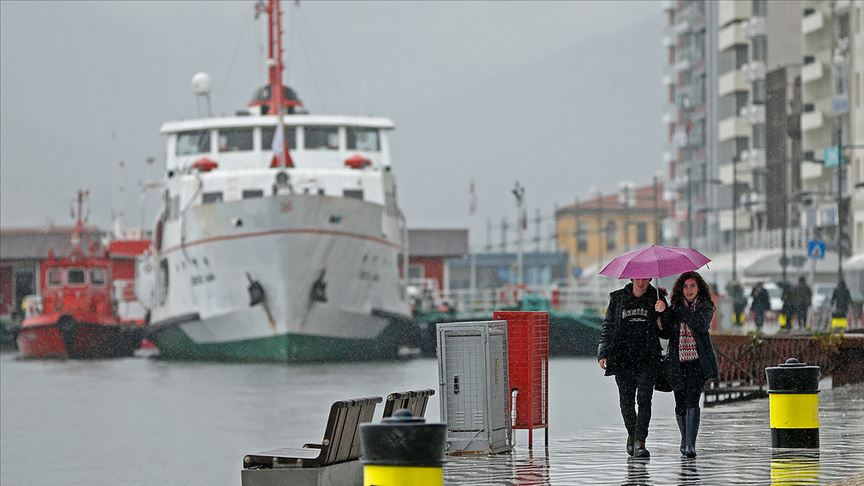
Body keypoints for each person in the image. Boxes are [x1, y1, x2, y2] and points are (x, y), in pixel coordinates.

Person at [597, 278, 667, 458]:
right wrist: (603, 352)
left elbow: (666, 330)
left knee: (644, 400)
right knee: (626, 401)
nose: (642, 281)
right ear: (631, 278)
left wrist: (664, 313)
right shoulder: (618, 298)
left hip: (648, 358)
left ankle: (640, 441)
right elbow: (608, 326)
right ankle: (632, 433)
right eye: (638, 277)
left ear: (651, 278)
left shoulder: (657, 298)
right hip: (622, 358)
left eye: (645, 278)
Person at [659, 271, 718, 458]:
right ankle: (684, 440)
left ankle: (690, 445)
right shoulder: (675, 308)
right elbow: (665, 332)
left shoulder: (705, 306)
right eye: (685, 286)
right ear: (680, 289)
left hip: (697, 363)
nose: (689, 290)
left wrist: (678, 310)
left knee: (693, 401)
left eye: (692, 286)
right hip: (677, 363)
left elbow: (699, 324)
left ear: (698, 287)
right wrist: (662, 307)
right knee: (680, 404)